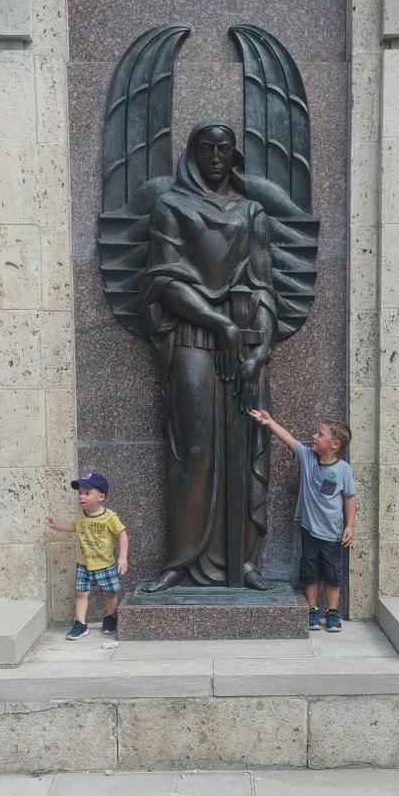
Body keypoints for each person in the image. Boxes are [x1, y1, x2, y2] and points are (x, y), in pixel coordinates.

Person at [138, 119, 278, 591]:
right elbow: (165, 281)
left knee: (246, 446)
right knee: (192, 449)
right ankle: (179, 560)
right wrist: (217, 324)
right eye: (206, 147)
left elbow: (263, 288)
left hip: (243, 343)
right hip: (194, 340)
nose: (215, 156)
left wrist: (257, 349)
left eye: (224, 148)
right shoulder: (170, 206)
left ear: (233, 155)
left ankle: (244, 561)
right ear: (193, 153)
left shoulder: (252, 212)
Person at [249, 412, 356, 631]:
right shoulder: (307, 457)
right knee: (310, 572)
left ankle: (333, 612)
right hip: (309, 531)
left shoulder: (343, 470)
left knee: (333, 574)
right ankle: (312, 609)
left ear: (334, 444)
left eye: (320, 434)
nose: (313, 437)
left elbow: (349, 497)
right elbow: (288, 438)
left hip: (333, 534)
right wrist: (269, 422)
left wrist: (350, 525)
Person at [46, 472, 128, 640]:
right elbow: (73, 527)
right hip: (84, 564)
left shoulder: (109, 517)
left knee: (110, 593)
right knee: (81, 594)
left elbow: (123, 534)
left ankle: (110, 616)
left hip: (105, 564)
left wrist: (122, 557)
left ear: (101, 496)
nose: (81, 497)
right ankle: (80, 624)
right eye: (80, 493)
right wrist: (56, 526)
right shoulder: (80, 514)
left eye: (87, 493)